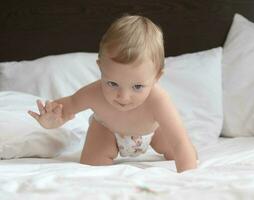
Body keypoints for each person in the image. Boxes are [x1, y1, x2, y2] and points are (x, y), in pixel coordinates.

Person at [28, 15, 197, 172]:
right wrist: (52, 121)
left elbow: (179, 141)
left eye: (137, 86)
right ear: (100, 67)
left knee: (184, 154)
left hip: (152, 133)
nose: (123, 97)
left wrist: (188, 179)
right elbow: (66, 107)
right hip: (107, 130)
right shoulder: (94, 93)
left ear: (156, 77)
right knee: (91, 166)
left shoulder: (158, 101)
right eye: (112, 83)